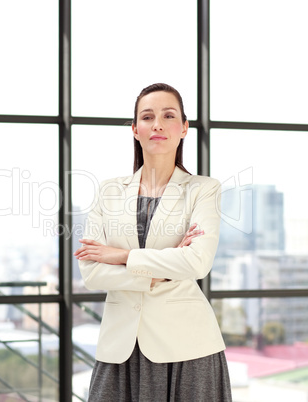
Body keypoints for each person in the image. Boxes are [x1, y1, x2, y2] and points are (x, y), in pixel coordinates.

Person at [74, 83, 232, 401]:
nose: (157, 124)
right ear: (135, 129)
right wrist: (164, 267)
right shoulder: (109, 191)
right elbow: (91, 271)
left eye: (168, 115)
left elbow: (197, 262)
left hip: (189, 347)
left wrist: (121, 255)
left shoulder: (203, 189)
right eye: (147, 116)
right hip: (119, 347)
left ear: (184, 128)